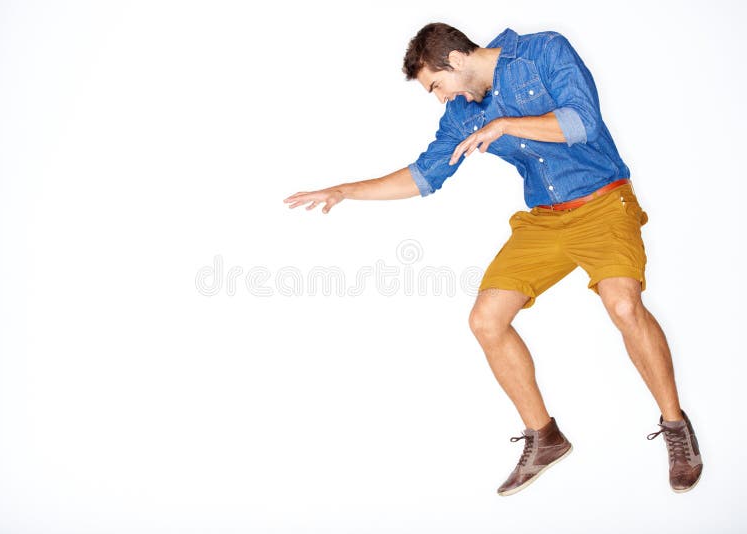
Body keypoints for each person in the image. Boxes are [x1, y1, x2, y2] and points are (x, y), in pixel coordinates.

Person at [283, 23, 702, 496]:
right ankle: (544, 437)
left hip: (605, 203)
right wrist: (345, 190)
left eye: (436, 86)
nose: (440, 98)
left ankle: (675, 425)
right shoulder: (464, 113)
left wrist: (503, 125)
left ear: (458, 61)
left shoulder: (543, 50)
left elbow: (583, 122)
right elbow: (423, 177)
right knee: (485, 319)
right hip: (544, 220)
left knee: (622, 305)